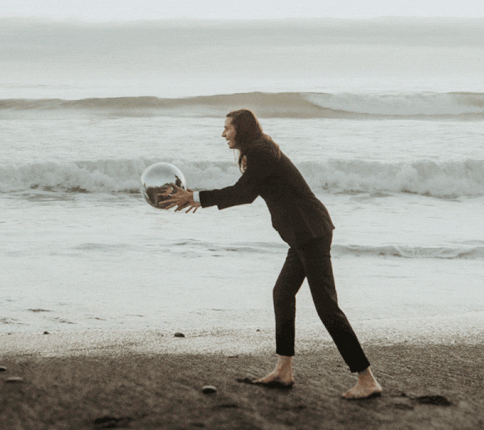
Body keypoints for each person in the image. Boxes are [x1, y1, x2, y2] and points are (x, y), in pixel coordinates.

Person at [160, 109, 382, 399]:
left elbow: (243, 192)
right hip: (303, 234)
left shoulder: (260, 152)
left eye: (227, 127)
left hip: (310, 234)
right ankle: (284, 370)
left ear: (241, 129)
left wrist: (197, 198)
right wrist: (198, 198)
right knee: (282, 293)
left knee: (327, 307)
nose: (223, 133)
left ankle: (366, 379)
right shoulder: (259, 150)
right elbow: (249, 193)